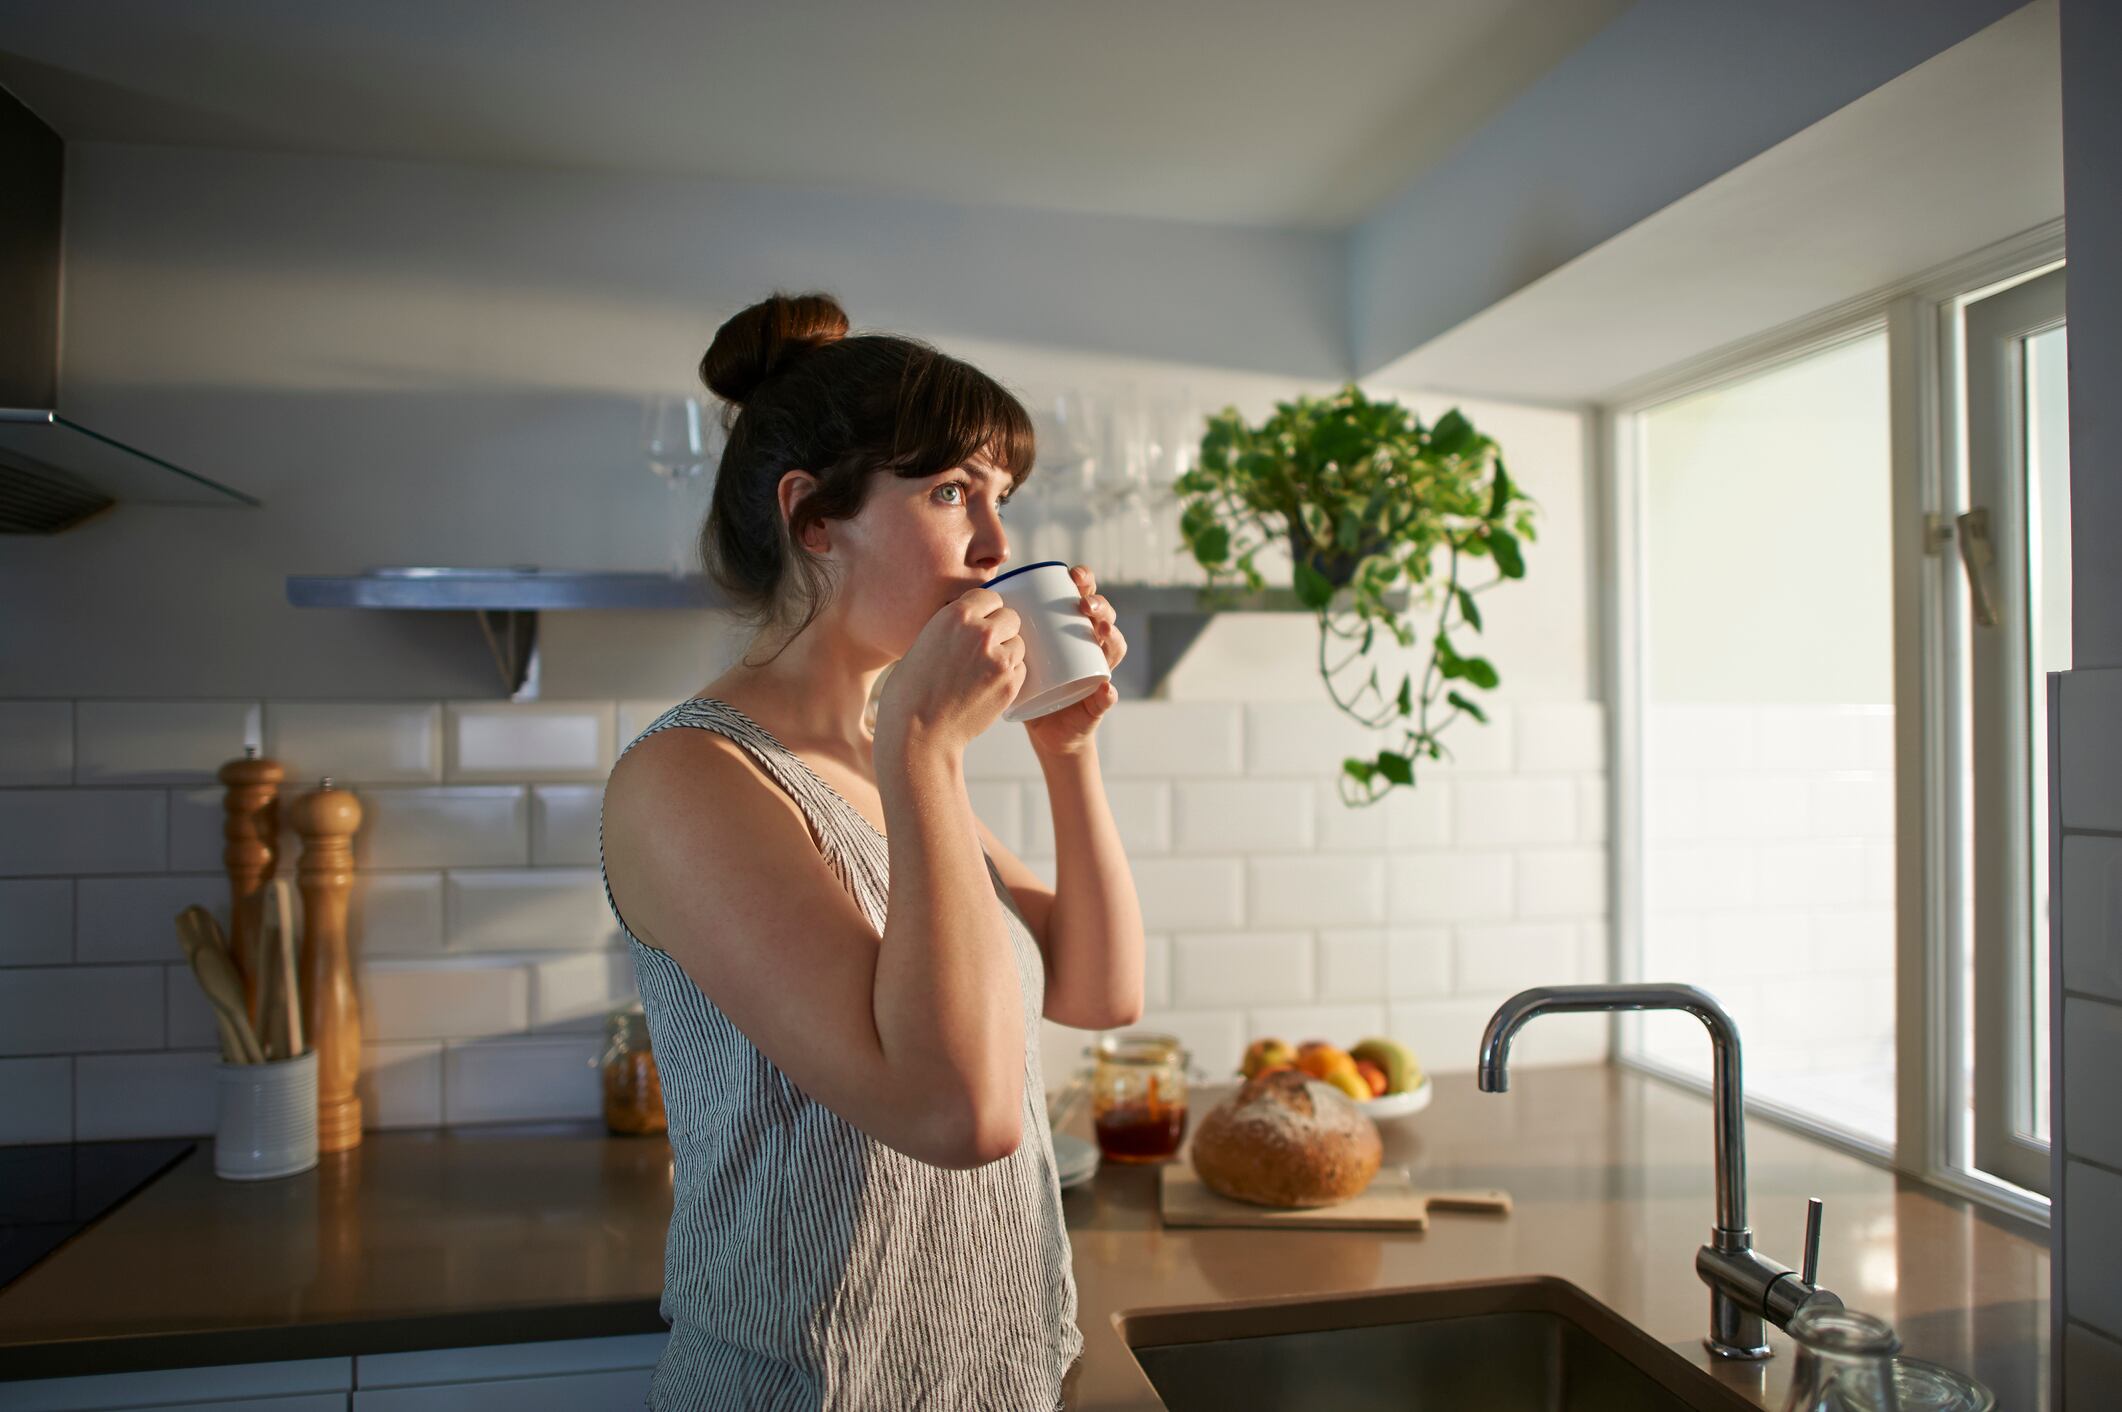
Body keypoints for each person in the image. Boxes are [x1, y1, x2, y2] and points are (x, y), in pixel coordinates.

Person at [599, 290, 1145, 1411]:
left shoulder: (881, 754)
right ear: (812, 516)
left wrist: (1065, 746)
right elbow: (960, 1114)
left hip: (984, 1376)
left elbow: (1098, 989)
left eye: (1001, 498)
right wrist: (927, 754)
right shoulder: (693, 777)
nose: (998, 545)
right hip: (809, 1387)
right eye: (951, 493)